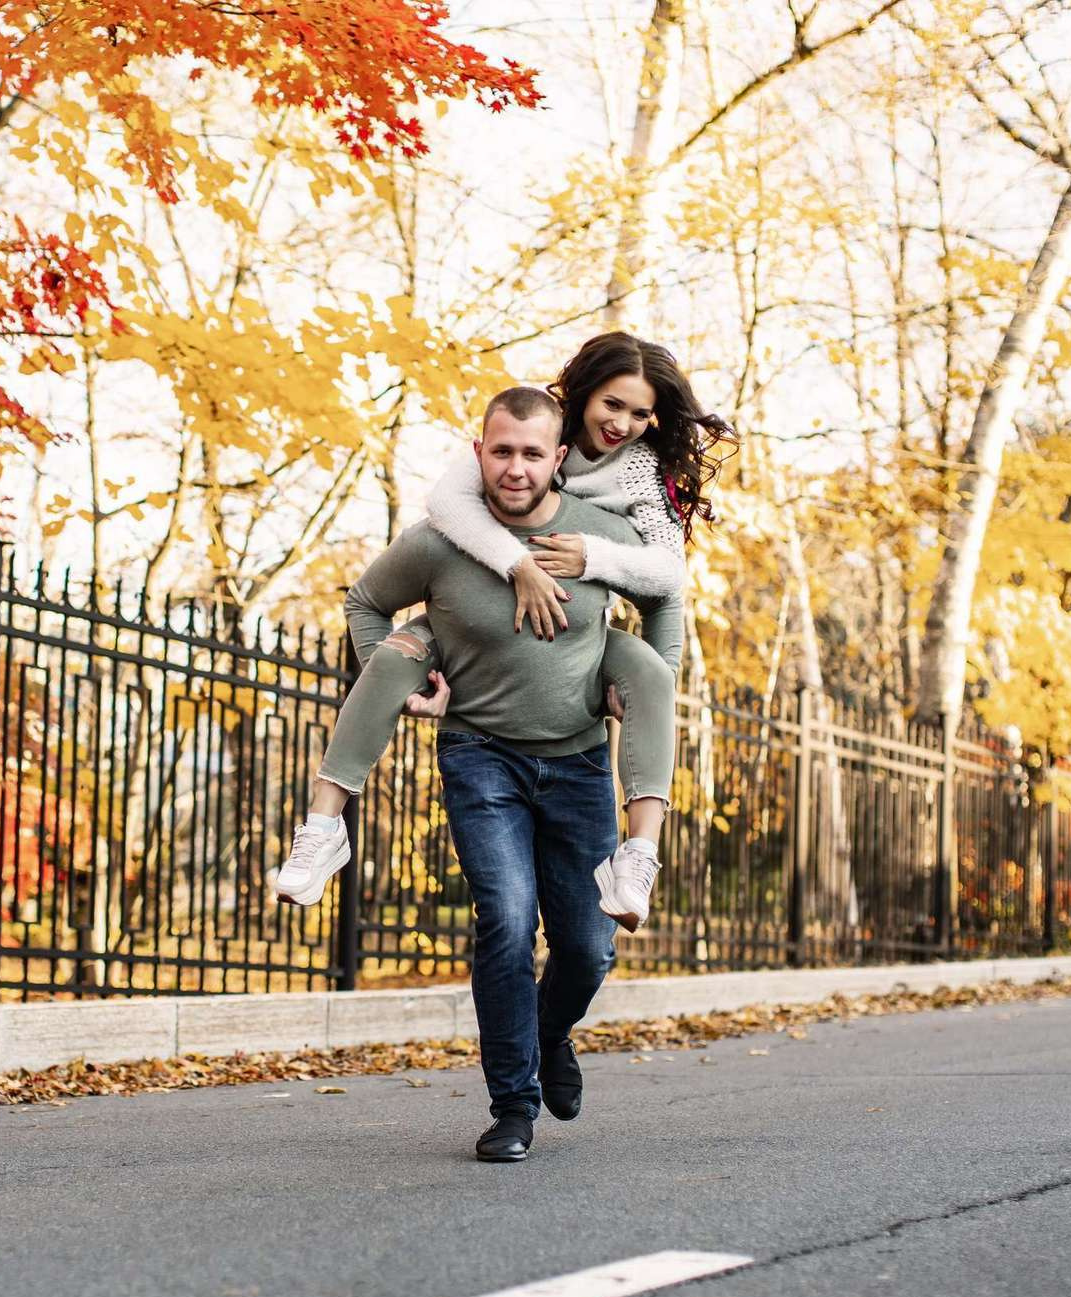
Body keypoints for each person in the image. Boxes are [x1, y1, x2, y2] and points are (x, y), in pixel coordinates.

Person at [323, 385, 685, 1162]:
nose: (515, 468)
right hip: (480, 757)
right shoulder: (441, 540)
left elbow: (666, 596)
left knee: (587, 946)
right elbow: (365, 602)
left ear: (558, 458)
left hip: (578, 764)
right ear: (478, 452)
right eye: (501, 451)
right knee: (508, 919)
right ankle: (513, 1105)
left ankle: (548, 1035)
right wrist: (402, 680)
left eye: (531, 453)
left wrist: (649, 682)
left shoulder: (599, 533)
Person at [273, 332, 732, 932]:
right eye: (612, 404)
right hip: (472, 652)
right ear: (583, 396)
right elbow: (445, 505)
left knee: (649, 671)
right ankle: (322, 829)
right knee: (395, 651)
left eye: (641, 413)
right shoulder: (526, 427)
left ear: (557, 458)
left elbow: (668, 579)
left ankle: (640, 854)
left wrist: (594, 566)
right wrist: (519, 567)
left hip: (580, 656)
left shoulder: (640, 473)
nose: (623, 424)